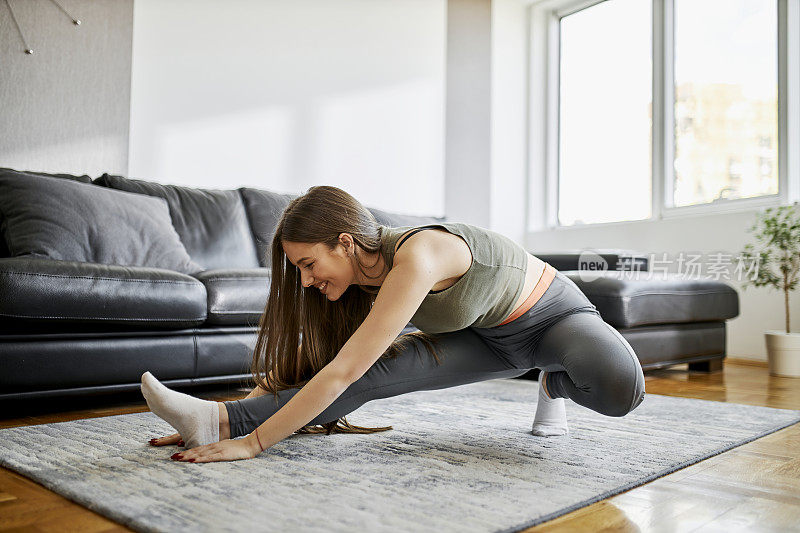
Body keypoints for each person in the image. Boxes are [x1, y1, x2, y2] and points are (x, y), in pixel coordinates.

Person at [141, 185, 645, 463]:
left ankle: (553, 382)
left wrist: (255, 446)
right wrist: (231, 421)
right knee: (373, 374)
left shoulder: (417, 256)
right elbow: (335, 369)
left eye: (308, 264)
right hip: (487, 342)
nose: (306, 281)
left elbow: (339, 374)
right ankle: (213, 420)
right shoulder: (356, 284)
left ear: (345, 242)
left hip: (552, 317)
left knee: (621, 389)